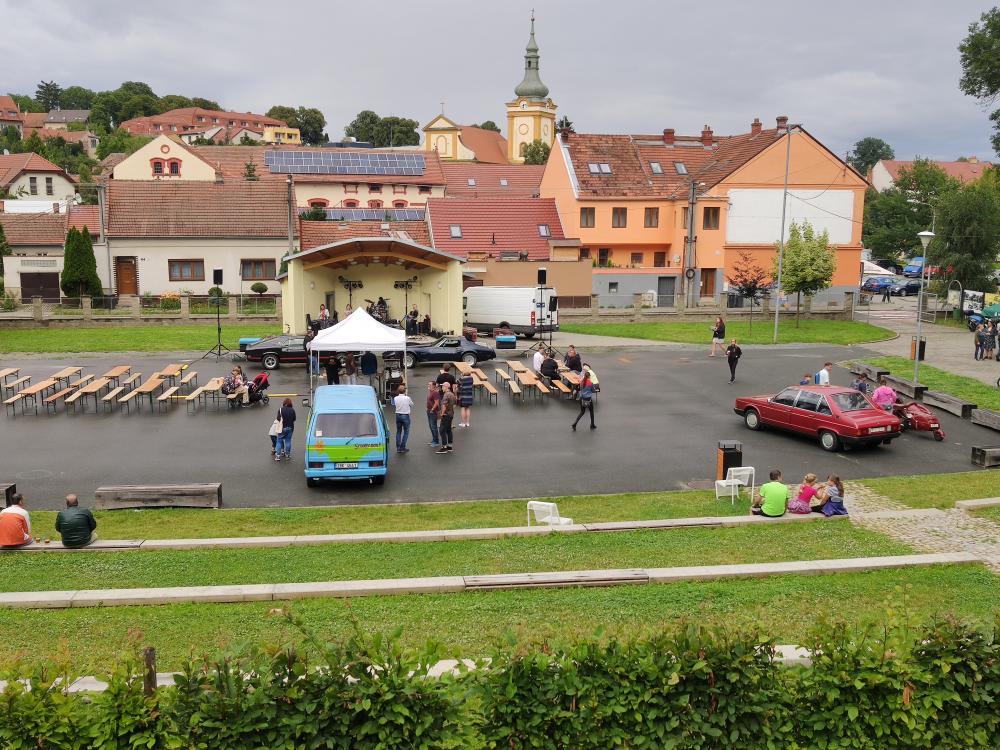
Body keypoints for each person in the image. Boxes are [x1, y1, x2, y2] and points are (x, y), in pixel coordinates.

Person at [436, 381, 457, 453]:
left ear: (446, 387)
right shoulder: (452, 394)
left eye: (443, 386)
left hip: (446, 415)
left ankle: (444, 447)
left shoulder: (446, 395)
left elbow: (444, 405)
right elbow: (454, 404)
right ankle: (450, 446)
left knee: (442, 430)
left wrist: (442, 414)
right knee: (448, 430)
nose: (442, 388)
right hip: (451, 414)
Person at [392, 384, 413, 453]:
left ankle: (398, 447)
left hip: (398, 415)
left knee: (398, 431)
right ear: (405, 391)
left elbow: (395, 404)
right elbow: (412, 405)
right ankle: (402, 447)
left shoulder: (395, 398)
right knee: (406, 432)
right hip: (405, 415)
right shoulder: (407, 398)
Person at [274, 398, 296, 462]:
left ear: (284, 403)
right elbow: (294, 419)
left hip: (282, 428)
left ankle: (278, 456)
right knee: (288, 441)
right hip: (290, 428)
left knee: (279, 441)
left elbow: (278, 418)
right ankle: (287, 455)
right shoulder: (292, 410)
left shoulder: (281, 409)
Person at [425, 380, 441, 447]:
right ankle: (434, 439)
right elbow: (429, 401)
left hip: (433, 412)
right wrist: (427, 407)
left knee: (433, 426)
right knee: (431, 426)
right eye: (428, 384)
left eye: (430, 385)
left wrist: (432, 409)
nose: (428, 385)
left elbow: (436, 403)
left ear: (434, 386)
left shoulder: (435, 393)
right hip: (429, 411)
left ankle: (436, 441)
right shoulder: (430, 392)